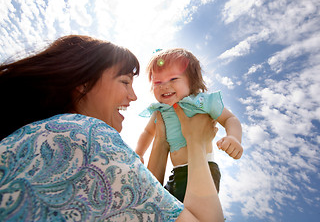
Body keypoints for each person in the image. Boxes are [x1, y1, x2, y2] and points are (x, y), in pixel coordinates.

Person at [0, 35, 223, 221]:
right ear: (83, 83)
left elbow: (147, 206)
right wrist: (195, 140)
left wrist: (162, 140)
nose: (133, 96)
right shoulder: (85, 134)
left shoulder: (36, 133)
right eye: (125, 81)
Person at [135, 48, 243, 202]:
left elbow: (230, 119)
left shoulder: (200, 101)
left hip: (203, 168)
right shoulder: (160, 110)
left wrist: (233, 137)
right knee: (165, 207)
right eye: (158, 82)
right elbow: (147, 132)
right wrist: (138, 153)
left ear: (191, 81)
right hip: (176, 173)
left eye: (173, 79)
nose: (164, 86)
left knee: (192, 210)